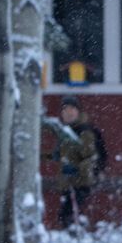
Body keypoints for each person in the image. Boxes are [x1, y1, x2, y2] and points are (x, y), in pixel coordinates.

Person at [50, 95, 106, 228]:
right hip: (68, 183)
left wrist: (86, 171)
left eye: (71, 109)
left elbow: (94, 156)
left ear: (78, 111)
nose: (68, 113)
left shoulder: (86, 131)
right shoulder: (65, 131)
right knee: (66, 217)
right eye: (65, 109)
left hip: (81, 183)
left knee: (71, 218)